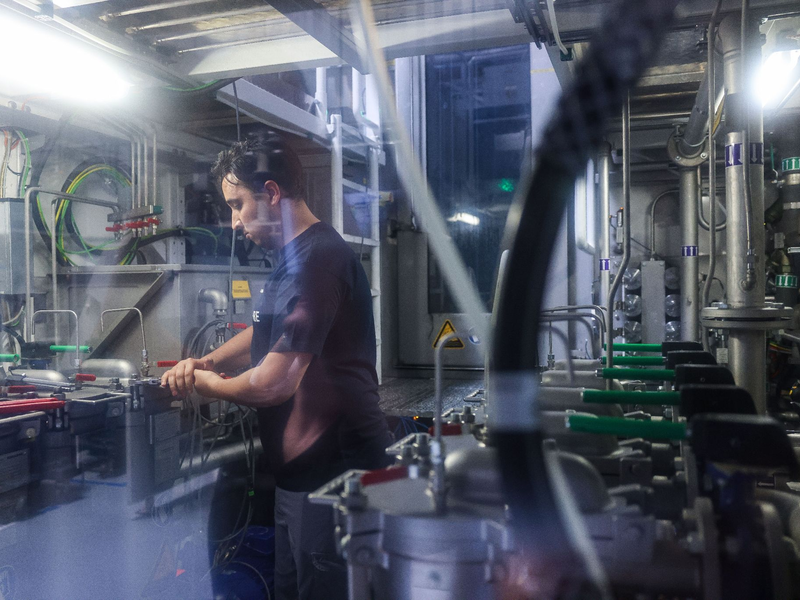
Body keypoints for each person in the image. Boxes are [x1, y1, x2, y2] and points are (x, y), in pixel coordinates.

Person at [161, 134, 392, 600]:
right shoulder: (295, 258)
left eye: (237, 204)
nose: (232, 222)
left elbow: (274, 384)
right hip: (301, 482)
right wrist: (206, 360)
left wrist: (206, 385)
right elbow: (267, 333)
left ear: (270, 194)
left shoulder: (318, 262)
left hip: (334, 482)